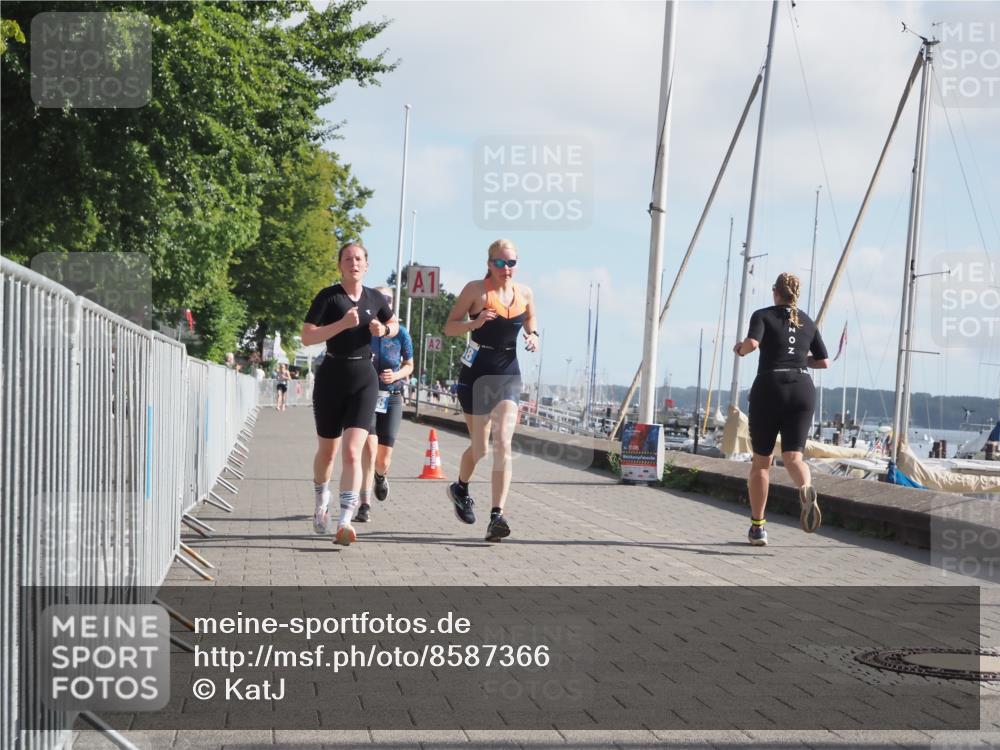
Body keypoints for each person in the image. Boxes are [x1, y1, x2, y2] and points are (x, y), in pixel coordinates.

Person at [301, 243, 398, 546]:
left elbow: (393, 323)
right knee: (328, 452)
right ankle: (321, 500)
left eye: (358, 259)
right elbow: (307, 336)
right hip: (331, 377)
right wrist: (342, 324)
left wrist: (383, 330)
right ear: (340, 265)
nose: (353, 263)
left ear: (366, 265)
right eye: (347, 259)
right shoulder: (329, 297)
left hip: (364, 380)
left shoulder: (376, 297)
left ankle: (345, 520)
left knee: (354, 451)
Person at [443, 239, 539, 542]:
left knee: (504, 443)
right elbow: (449, 327)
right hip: (476, 373)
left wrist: (532, 335)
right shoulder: (475, 290)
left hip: (508, 372)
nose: (506, 268)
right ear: (489, 264)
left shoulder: (525, 293)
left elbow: (530, 319)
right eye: (499, 263)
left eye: (511, 263)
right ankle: (460, 487)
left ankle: (497, 515)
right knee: (481, 448)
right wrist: (475, 321)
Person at [732, 272, 830, 546]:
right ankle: (805, 488)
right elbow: (824, 361)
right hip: (801, 387)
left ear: (775, 291)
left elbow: (752, 344)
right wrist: (799, 359)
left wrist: (739, 349)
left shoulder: (763, 315)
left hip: (770, 387)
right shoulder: (807, 321)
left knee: (761, 462)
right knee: (793, 457)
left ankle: (758, 528)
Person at [355, 288, 414, 523]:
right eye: (379, 299)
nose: (383, 304)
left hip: (392, 397)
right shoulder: (362, 331)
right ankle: (364, 505)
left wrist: (397, 375)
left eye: (387, 300)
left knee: (383, 458)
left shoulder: (401, 333)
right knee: (368, 449)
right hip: (367, 395)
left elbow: (410, 365)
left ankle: (381, 475)